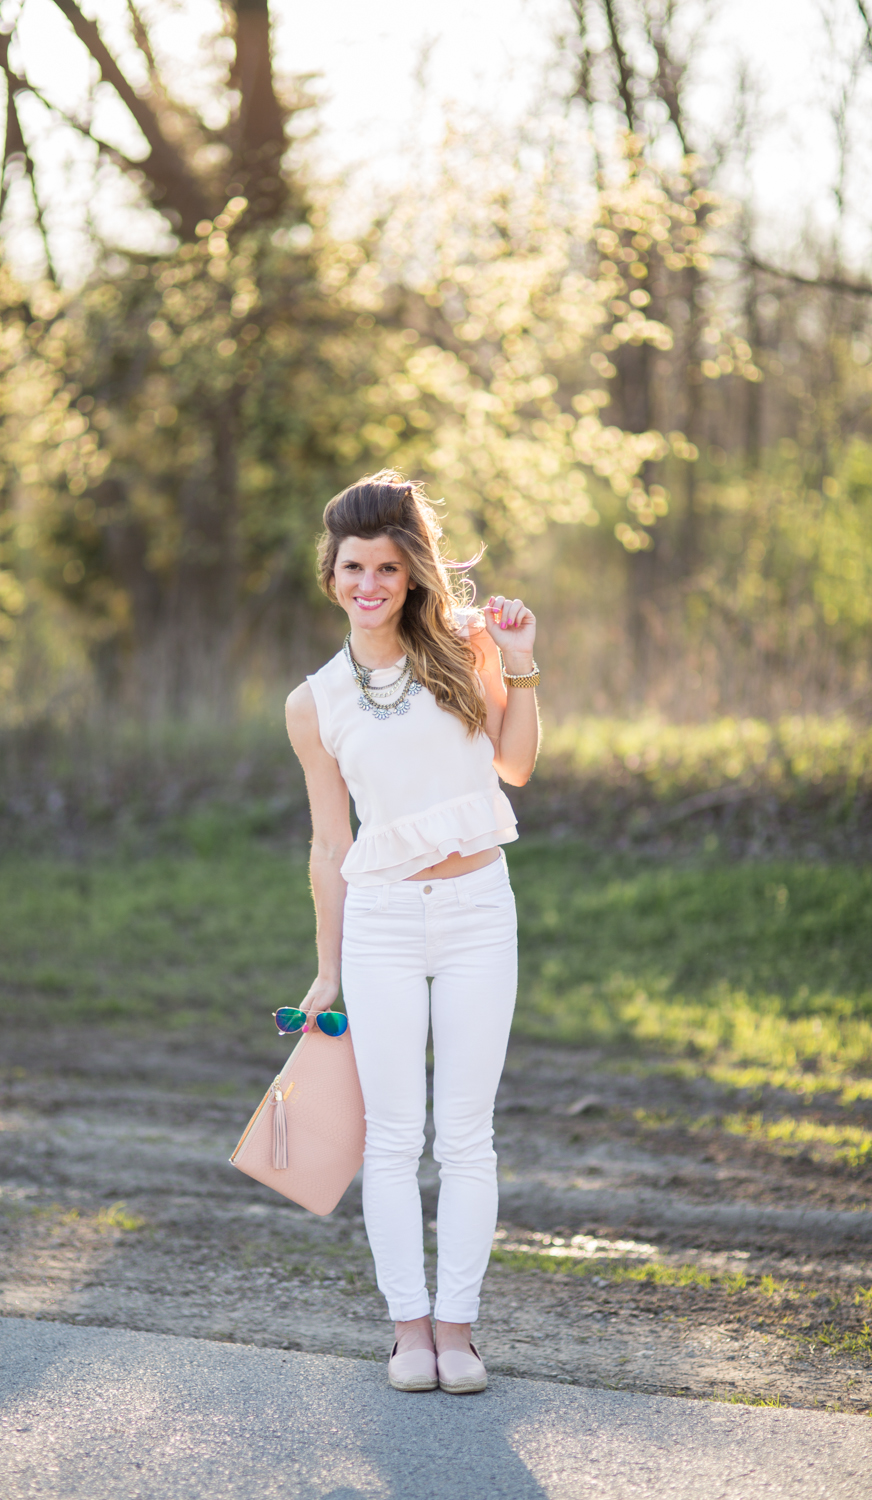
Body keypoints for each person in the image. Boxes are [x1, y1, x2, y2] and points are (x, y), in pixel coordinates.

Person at [285, 471, 539, 1395]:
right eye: (354, 566)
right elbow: (327, 844)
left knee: (466, 1137)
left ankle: (459, 1332)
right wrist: (327, 969)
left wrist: (520, 659)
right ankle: (409, 1335)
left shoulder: (467, 647)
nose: (371, 584)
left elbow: (512, 765)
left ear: (412, 572)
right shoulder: (313, 703)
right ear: (333, 574)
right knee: (393, 1138)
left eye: (388, 567)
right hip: (384, 923)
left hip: (479, 913)